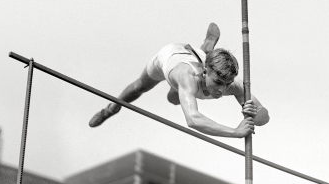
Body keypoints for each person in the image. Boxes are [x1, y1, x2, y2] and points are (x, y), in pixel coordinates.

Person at [89, 23, 269, 137]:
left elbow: (264, 119)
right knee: (139, 87)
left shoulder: (232, 85)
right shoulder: (187, 77)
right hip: (170, 57)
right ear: (206, 72)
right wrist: (235, 132)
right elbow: (193, 119)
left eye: (227, 84)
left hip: (196, 57)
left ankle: (206, 49)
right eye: (218, 84)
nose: (222, 91)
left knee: (174, 99)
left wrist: (253, 112)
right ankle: (110, 109)